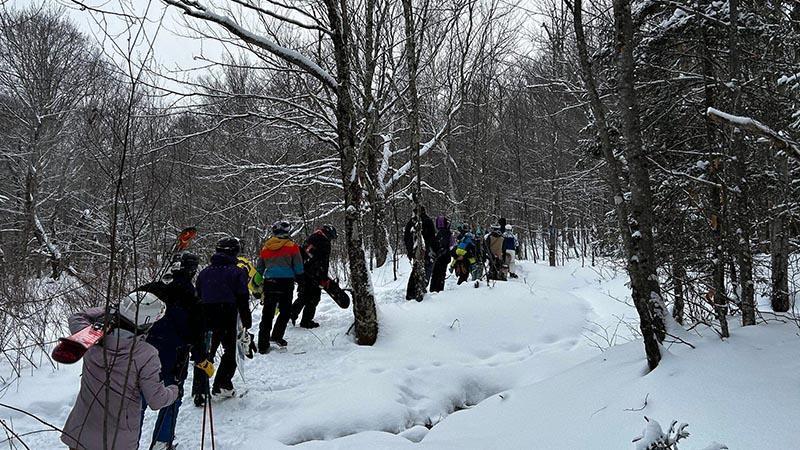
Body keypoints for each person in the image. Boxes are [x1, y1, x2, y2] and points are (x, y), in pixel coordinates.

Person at [61, 293, 179, 450]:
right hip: (118, 441)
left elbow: (77, 317)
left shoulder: (91, 337)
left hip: (80, 434)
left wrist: (109, 310)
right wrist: (174, 390)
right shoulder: (146, 354)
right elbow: (157, 400)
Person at [138, 252, 204, 449]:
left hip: (144, 353)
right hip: (174, 357)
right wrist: (201, 358)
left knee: (138, 399)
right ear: (191, 271)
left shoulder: (150, 289)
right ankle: (161, 442)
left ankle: (130, 441)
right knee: (171, 397)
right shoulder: (191, 297)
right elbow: (196, 334)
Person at [194, 236, 252, 400]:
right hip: (228, 314)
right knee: (231, 350)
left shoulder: (204, 273)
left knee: (206, 351)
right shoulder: (237, 272)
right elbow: (242, 298)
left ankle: (199, 390)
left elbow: (197, 296)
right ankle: (222, 384)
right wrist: (246, 321)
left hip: (206, 315)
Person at [256, 221, 304, 353]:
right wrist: (301, 281)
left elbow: (259, 268)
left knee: (267, 313)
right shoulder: (292, 246)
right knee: (285, 311)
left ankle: (262, 344)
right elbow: (298, 266)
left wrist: (256, 284)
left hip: (270, 282)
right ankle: (277, 336)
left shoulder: (266, 247)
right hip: (286, 283)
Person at [292, 224, 337, 329]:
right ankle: (306, 321)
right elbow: (324, 262)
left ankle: (291, 314)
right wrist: (323, 279)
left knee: (303, 296)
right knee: (314, 297)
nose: (330, 240)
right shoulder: (325, 242)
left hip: (302, 271)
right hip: (314, 274)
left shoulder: (312, 237)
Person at [404, 206, 437, 300]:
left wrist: (410, 252)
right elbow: (432, 237)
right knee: (425, 270)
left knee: (416, 270)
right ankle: (419, 290)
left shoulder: (411, 222)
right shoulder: (427, 221)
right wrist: (435, 250)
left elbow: (406, 238)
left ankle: (411, 293)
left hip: (415, 252)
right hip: (425, 251)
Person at [429, 215, 453, 292]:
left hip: (440, 257)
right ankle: (438, 289)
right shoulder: (447, 233)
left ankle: (435, 290)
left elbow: (440, 245)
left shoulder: (441, 233)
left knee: (436, 274)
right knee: (441, 274)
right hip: (444, 257)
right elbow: (451, 245)